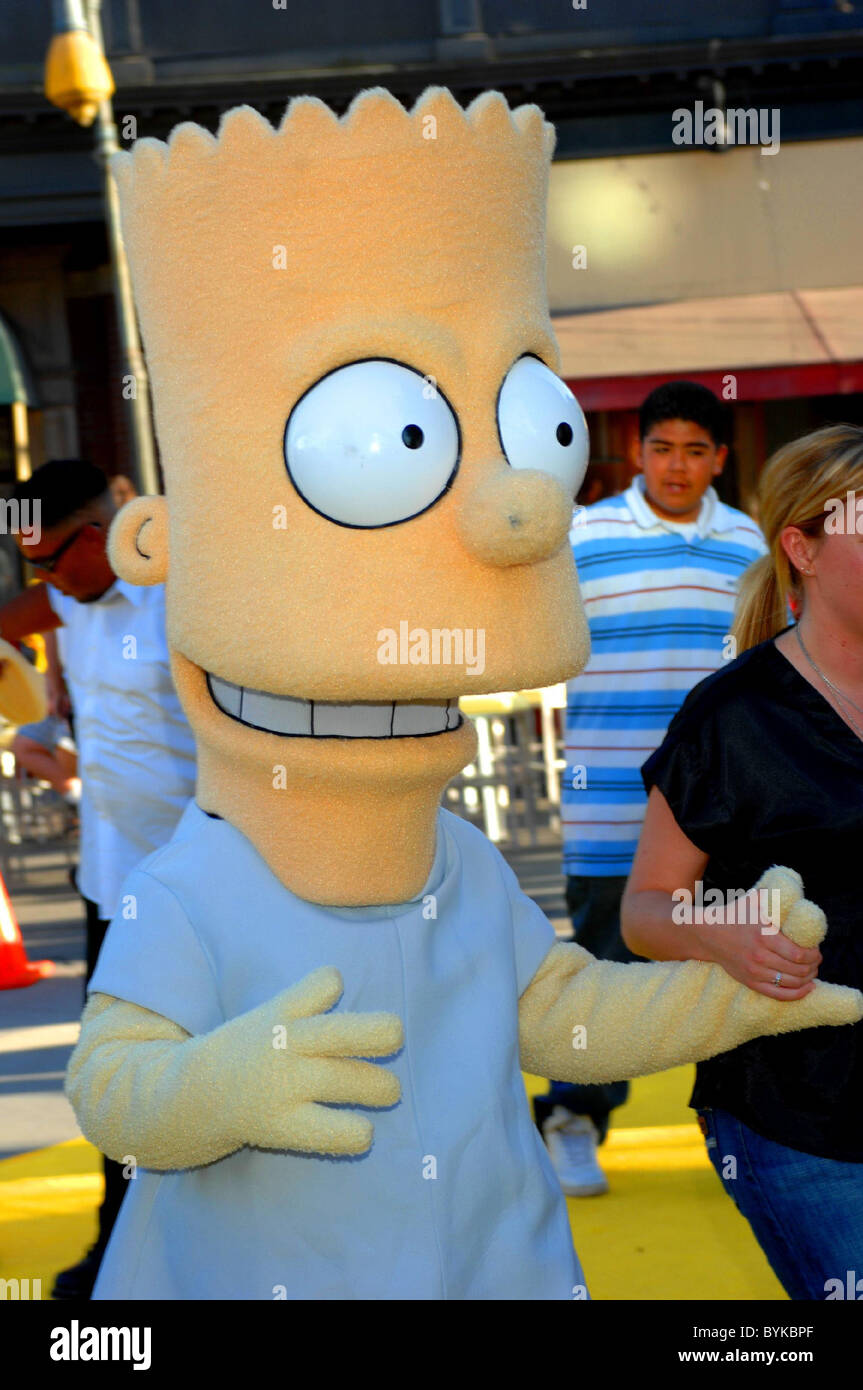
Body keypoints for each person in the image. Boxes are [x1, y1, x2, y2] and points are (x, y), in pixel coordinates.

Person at [621, 423, 863, 1299]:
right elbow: (644, 909)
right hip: (797, 1115)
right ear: (801, 548)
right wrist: (722, 936)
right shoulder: (730, 717)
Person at [536, 381, 767, 1196]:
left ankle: (751, 1137)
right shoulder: (580, 538)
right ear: (637, 451)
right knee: (602, 971)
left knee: (735, 971)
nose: (677, 465)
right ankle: (571, 1119)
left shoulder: (750, 547)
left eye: (695, 450)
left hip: (721, 815)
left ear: (720, 459)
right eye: (662, 447)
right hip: (606, 809)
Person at [0, 458, 197, 1299]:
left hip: (209, 890)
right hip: (110, 891)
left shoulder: (187, 598)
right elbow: (21, 611)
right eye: (28, 563)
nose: (42, 579)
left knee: (233, 1080)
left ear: (106, 527)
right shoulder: (65, 601)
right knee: (115, 1089)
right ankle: (122, 1255)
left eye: (51, 558)